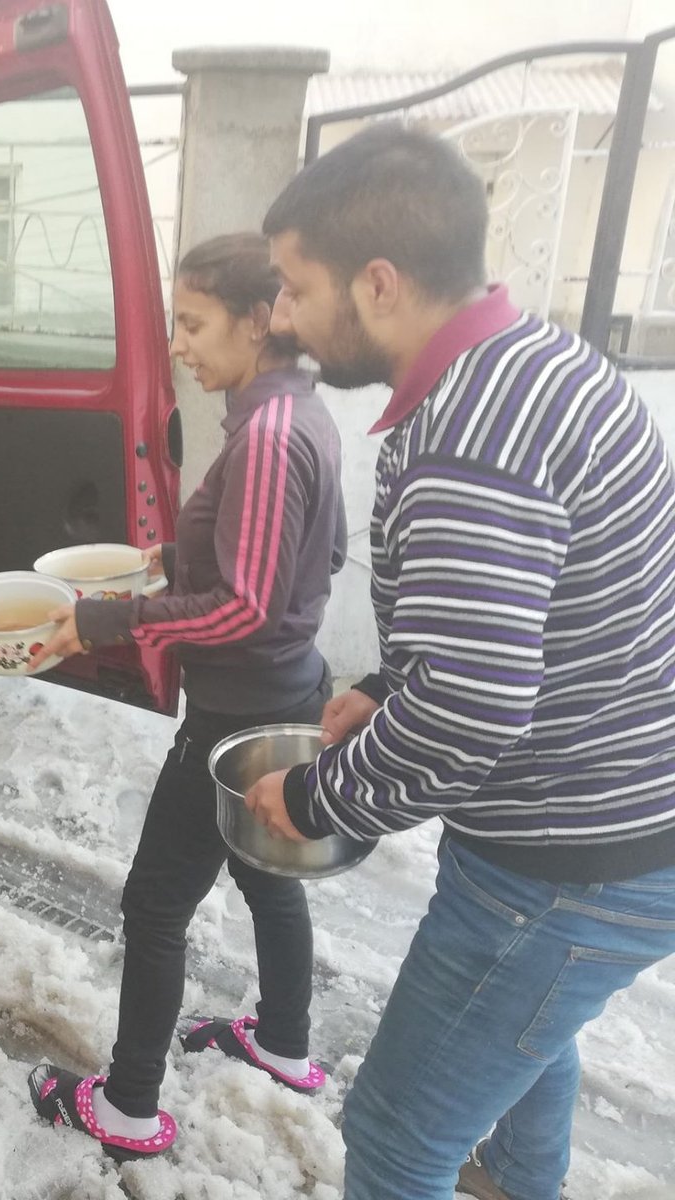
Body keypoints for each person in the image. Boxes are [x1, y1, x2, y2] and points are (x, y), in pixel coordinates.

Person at [242, 124, 675, 1200]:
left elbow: (472, 708)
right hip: (614, 821)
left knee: (395, 1137)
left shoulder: (468, 438)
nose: (280, 316)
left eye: (295, 287)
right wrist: (390, 689)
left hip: (569, 865)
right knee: (520, 1037)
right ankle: (514, 1183)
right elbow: (539, 612)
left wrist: (317, 797)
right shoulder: (535, 363)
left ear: (378, 284)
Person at [24, 232, 347, 1161]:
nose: (177, 345)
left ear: (259, 321)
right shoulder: (297, 413)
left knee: (157, 904)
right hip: (285, 694)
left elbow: (245, 606)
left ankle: (127, 1106)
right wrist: (173, 559)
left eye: (194, 324)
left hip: (237, 717)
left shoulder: (268, 437)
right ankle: (283, 1043)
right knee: (265, 873)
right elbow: (312, 556)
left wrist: (105, 621)